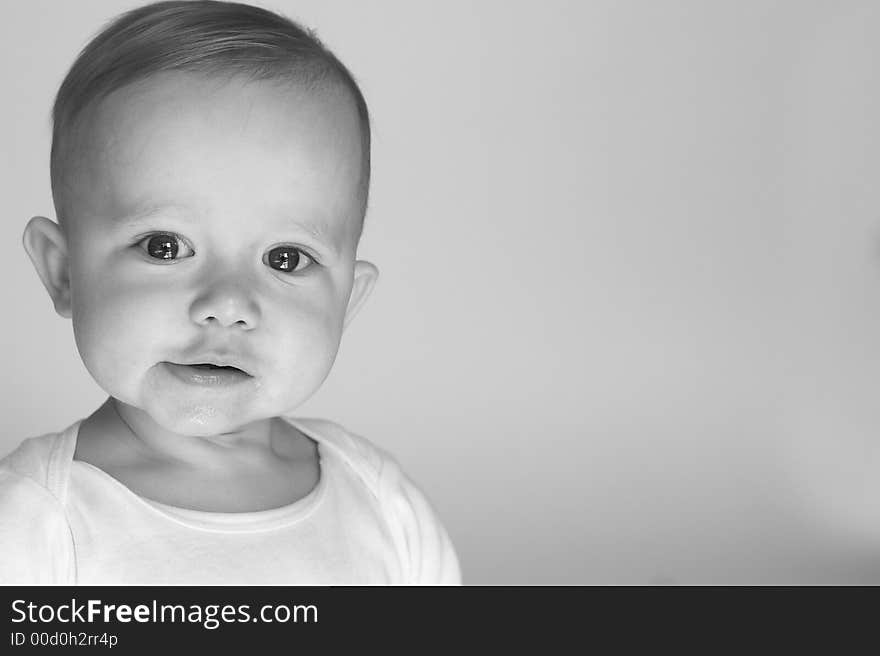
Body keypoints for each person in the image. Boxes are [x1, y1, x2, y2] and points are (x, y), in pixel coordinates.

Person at [0, 0, 461, 584]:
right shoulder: (33, 526)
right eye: (164, 246)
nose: (228, 303)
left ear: (348, 300)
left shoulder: (383, 505)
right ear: (64, 271)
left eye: (285, 259)